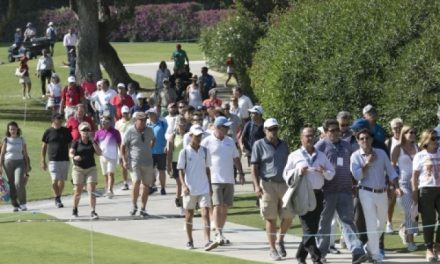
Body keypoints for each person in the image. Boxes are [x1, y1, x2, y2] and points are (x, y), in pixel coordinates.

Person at [315, 119, 368, 264]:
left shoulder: (346, 145)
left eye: (337, 130)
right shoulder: (320, 145)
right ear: (325, 132)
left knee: (348, 222)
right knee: (324, 223)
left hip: (345, 189)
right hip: (327, 191)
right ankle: (320, 254)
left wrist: (354, 183)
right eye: (332, 130)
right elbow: (312, 161)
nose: (336, 132)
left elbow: (356, 162)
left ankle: (357, 252)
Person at [283, 125, 335, 264]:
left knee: (312, 228)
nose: (310, 138)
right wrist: (298, 172)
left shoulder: (321, 155)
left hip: (318, 194)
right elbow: (286, 174)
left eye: (312, 135)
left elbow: (331, 174)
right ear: (301, 138)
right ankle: (316, 258)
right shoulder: (294, 155)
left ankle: (300, 256)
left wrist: (323, 171)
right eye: (307, 136)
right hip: (302, 194)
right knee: (307, 226)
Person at [350, 128, 401, 264]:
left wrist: (397, 187)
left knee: (381, 224)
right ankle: (376, 256)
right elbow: (357, 176)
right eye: (362, 138)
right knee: (371, 224)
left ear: (371, 139)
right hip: (365, 192)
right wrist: (367, 163)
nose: (365, 140)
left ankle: (369, 247)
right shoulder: (355, 156)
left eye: (367, 138)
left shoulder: (381, 153)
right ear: (358, 141)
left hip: (382, 192)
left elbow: (391, 172)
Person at [251, 118, 293, 261]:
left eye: (275, 128)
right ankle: (272, 248)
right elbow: (254, 167)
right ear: (265, 130)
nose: (273, 132)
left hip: (284, 183)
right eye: (270, 129)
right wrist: (256, 186)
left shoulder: (284, 144)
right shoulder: (259, 144)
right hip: (267, 184)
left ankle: (280, 240)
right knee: (271, 218)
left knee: (288, 216)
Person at [201, 116, 245, 246]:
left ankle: (220, 232)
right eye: (225, 127)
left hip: (229, 178)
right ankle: (218, 234)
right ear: (218, 127)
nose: (227, 129)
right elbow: (201, 160)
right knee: (217, 205)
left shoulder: (230, 141)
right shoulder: (207, 141)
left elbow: (236, 158)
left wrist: (241, 173)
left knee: (225, 208)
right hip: (214, 179)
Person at [177, 125, 218, 251]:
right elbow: (180, 170)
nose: (199, 138)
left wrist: (210, 186)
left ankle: (207, 241)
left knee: (205, 213)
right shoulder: (184, 152)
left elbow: (207, 169)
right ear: (191, 136)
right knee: (189, 215)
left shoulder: (205, 151)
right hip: (190, 188)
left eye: (200, 136)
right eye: (196, 136)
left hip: (204, 187)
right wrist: (183, 185)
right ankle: (190, 240)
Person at [412, 129, 440, 262]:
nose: (436, 141)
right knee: (429, 221)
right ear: (426, 141)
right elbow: (414, 177)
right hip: (426, 190)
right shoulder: (420, 156)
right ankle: (429, 249)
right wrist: (414, 194)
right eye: (433, 139)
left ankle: (438, 246)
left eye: (437, 138)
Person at [121, 112, 155, 217]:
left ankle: (143, 208)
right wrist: (124, 160)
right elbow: (123, 146)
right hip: (134, 161)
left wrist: (149, 148)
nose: (143, 122)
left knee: (146, 186)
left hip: (148, 162)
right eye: (141, 120)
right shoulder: (130, 131)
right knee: (136, 181)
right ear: (136, 120)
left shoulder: (149, 130)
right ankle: (134, 205)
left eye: (145, 120)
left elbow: (154, 139)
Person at [391, 125, 418, 252]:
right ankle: (411, 241)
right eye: (409, 132)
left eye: (414, 132)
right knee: (410, 211)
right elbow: (392, 169)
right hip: (403, 183)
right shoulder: (398, 148)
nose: (412, 134)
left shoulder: (417, 147)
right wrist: (395, 186)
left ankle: (404, 229)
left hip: (418, 184)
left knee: (415, 212)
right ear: (404, 133)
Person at [69, 122, 102, 219]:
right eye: (83, 130)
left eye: (87, 130)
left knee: (91, 190)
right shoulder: (76, 142)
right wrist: (74, 157)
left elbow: (99, 153)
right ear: (80, 131)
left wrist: (92, 141)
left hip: (91, 168)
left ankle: (93, 211)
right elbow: (71, 153)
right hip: (78, 169)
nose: (86, 132)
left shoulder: (93, 142)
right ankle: (75, 209)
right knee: (78, 191)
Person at [41, 113, 73, 208]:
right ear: (53, 120)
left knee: (62, 181)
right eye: (57, 119)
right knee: (54, 180)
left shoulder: (66, 131)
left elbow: (70, 144)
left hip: (64, 159)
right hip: (53, 160)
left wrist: (71, 154)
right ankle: (57, 198)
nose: (59, 120)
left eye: (60, 119)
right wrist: (42, 160)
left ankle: (58, 196)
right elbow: (44, 147)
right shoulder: (48, 132)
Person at [0, 121, 30, 212]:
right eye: (10, 129)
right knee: (11, 184)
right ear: (8, 130)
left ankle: (23, 203)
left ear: (17, 129)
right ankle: (15, 205)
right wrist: (0, 166)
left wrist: (27, 165)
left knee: (18, 182)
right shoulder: (6, 139)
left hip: (20, 163)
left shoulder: (21, 139)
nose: (12, 131)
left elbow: (25, 153)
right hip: (8, 163)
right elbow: (2, 154)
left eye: (14, 129)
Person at [95, 114, 121, 198]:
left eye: (105, 122)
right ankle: (109, 189)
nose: (103, 123)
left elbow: (119, 144)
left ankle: (109, 190)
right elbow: (94, 143)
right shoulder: (98, 132)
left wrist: (121, 155)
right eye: (102, 122)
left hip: (112, 156)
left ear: (110, 122)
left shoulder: (115, 132)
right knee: (106, 175)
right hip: (102, 157)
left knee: (110, 174)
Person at [385, 117, 403, 234]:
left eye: (399, 127)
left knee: (409, 201)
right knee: (391, 200)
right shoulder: (388, 142)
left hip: (406, 173)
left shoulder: (409, 141)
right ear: (391, 130)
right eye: (394, 128)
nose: (397, 130)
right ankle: (389, 223)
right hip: (393, 174)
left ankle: (409, 224)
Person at [167, 118, 187, 214]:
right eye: (180, 124)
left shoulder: (188, 136)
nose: (181, 126)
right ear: (176, 125)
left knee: (187, 183)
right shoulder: (173, 137)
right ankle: (181, 204)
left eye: (183, 124)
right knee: (180, 183)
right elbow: (170, 152)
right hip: (176, 163)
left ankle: (186, 203)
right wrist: (169, 165)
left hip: (187, 163)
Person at [146, 108, 168, 195]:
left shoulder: (163, 124)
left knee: (162, 170)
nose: (150, 116)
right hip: (150, 152)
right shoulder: (146, 125)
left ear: (156, 115)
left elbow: (168, 136)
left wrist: (167, 146)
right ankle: (152, 186)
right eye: (149, 114)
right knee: (150, 170)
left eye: (152, 114)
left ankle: (162, 188)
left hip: (161, 151)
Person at [115, 105, 133, 190]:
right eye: (124, 113)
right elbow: (116, 136)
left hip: (132, 146)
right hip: (121, 146)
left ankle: (134, 181)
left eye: (126, 113)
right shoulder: (118, 123)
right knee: (123, 165)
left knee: (133, 164)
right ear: (121, 114)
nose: (125, 115)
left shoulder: (133, 121)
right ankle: (125, 183)